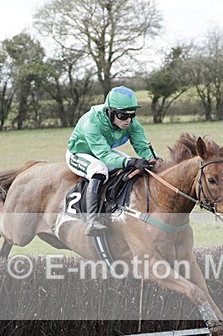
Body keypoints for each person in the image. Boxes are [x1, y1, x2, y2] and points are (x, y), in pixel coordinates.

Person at [66, 86, 156, 236]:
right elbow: (104, 155)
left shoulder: (132, 124)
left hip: (102, 151)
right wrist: (131, 161)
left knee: (130, 164)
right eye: (122, 116)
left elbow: (143, 148)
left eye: (132, 115)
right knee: (99, 169)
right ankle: (92, 221)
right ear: (110, 111)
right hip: (79, 153)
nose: (128, 120)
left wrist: (154, 160)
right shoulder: (92, 122)